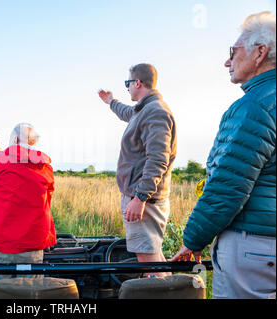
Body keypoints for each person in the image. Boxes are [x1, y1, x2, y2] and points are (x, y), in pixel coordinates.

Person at [171, 11, 276, 299]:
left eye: (233, 51)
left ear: (260, 53)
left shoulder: (253, 107)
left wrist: (194, 239)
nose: (227, 60)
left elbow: (226, 189)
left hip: (253, 250)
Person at [98, 63, 177, 278]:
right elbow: (127, 113)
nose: (127, 88)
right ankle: (170, 292)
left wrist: (140, 197)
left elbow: (158, 159)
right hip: (142, 197)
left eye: (128, 83)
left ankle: (161, 294)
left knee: (147, 260)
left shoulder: (155, 112)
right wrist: (111, 102)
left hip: (145, 200)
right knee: (153, 256)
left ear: (138, 83)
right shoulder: (144, 110)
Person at [0, 123, 56, 281]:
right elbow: (47, 203)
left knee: (0, 290)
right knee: (31, 291)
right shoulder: (45, 166)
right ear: (32, 142)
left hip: (1, 242)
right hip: (34, 243)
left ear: (14, 139)